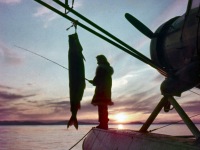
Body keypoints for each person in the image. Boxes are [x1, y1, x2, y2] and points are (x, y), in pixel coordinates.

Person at [88, 55, 114, 129]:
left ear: (101, 60)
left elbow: (97, 81)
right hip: (107, 92)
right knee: (104, 108)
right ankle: (104, 123)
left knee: (101, 108)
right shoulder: (108, 70)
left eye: (98, 60)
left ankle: (102, 124)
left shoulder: (100, 68)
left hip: (100, 91)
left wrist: (92, 82)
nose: (97, 63)